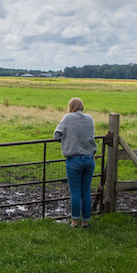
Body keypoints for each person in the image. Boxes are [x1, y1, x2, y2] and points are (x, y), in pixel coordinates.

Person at [54, 97, 96, 228]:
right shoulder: (89, 118)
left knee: (76, 191)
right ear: (82, 107)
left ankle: (75, 221)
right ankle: (86, 221)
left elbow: (56, 135)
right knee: (86, 191)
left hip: (74, 159)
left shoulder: (68, 118)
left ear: (70, 107)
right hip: (89, 158)